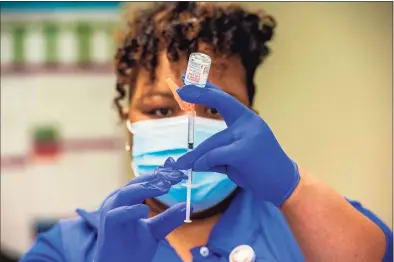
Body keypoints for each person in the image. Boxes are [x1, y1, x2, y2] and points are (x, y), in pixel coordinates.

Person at [21, 2, 392, 262]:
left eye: (215, 108)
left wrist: (292, 187)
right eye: (160, 109)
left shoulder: (307, 223)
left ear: (252, 120)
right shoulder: (68, 248)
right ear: (127, 119)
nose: (190, 126)